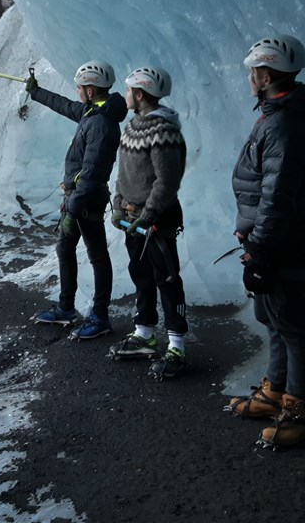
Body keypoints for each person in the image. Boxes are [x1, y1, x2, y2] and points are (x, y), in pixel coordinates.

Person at [224, 35, 305, 450]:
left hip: (279, 243)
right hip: (268, 240)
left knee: (294, 327)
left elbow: (277, 195)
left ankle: (297, 412)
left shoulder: (283, 124)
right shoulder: (275, 115)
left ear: (266, 75)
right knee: (275, 319)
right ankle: (274, 393)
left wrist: (261, 248)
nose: (249, 77)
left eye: (252, 71)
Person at [28, 61, 127, 340]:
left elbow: (92, 173)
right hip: (79, 197)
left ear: (91, 89)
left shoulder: (101, 124)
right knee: (66, 249)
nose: (77, 91)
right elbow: (65, 106)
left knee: (97, 256)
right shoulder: (94, 112)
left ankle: (99, 316)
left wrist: (73, 206)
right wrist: (36, 92)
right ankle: (67, 307)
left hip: (87, 199)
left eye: (80, 87)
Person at [108, 67, 189, 379]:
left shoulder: (163, 130)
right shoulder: (133, 127)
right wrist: (118, 204)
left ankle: (177, 346)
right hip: (133, 218)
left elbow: (167, 181)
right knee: (140, 273)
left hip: (156, 220)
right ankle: (144, 333)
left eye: (129, 91)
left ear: (139, 95)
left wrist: (150, 212)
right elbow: (124, 173)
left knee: (166, 279)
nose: (126, 95)